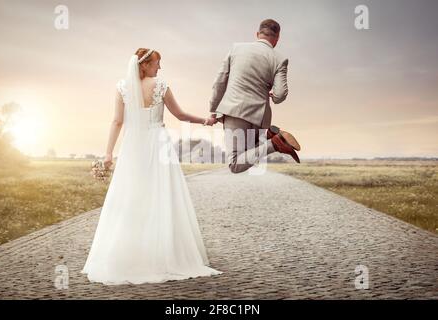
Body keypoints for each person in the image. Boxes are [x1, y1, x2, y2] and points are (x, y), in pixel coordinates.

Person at [81, 48, 222, 285]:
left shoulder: (122, 87)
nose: (160, 67)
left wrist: (108, 153)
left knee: (132, 197)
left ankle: (131, 253)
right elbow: (181, 115)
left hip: (133, 146)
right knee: (161, 196)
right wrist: (205, 121)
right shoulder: (160, 86)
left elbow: (117, 121)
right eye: (157, 63)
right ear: (144, 65)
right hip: (158, 144)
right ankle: (162, 253)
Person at [209, 19, 301, 174]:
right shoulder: (280, 59)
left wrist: (213, 110)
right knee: (249, 154)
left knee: (235, 164)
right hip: (259, 118)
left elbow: (219, 82)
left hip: (234, 111)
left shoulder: (236, 49)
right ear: (277, 38)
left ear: (258, 34)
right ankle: (270, 139)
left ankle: (275, 143)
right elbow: (279, 95)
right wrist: (272, 95)